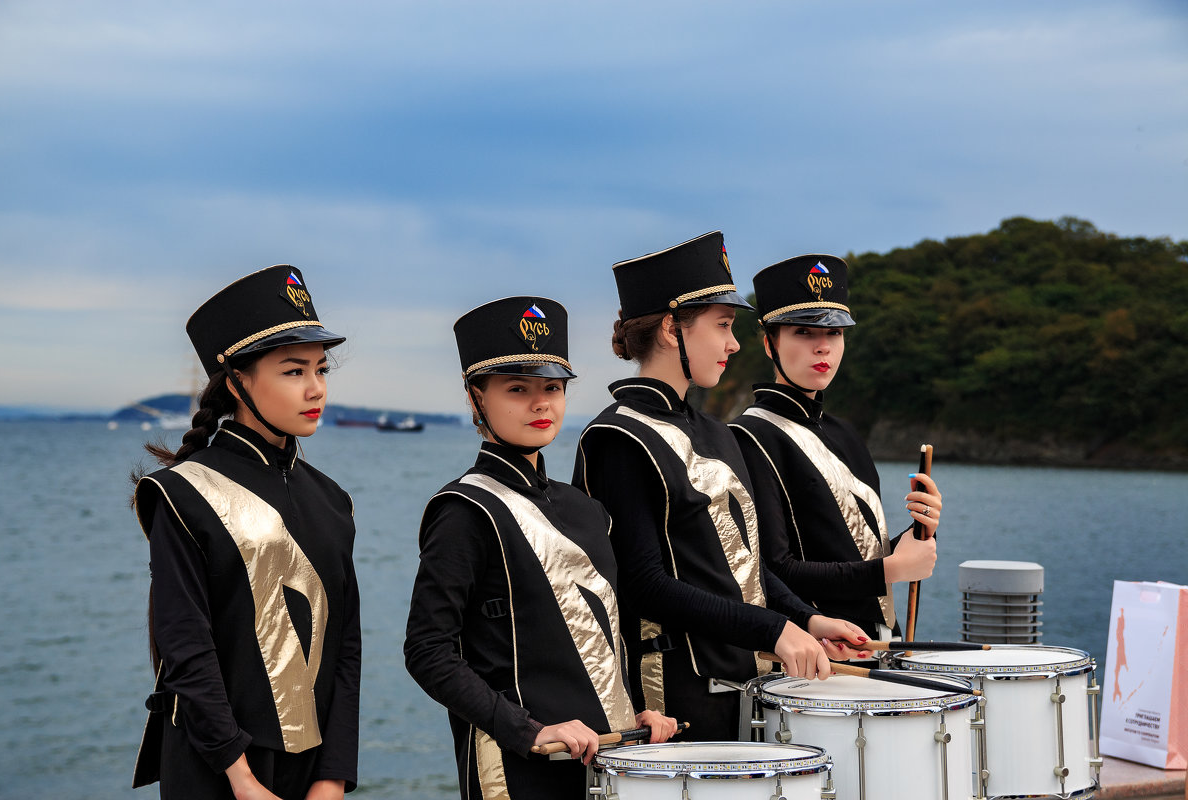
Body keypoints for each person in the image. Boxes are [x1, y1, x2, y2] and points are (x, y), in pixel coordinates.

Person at [572, 233, 870, 742]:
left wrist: (807, 620)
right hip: (672, 700)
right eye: (724, 326)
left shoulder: (713, 430)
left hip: (747, 682)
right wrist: (774, 631)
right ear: (672, 328)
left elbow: (743, 567)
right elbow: (643, 584)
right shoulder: (617, 437)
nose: (734, 343)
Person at [403, 297, 678, 800]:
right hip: (521, 773)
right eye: (517, 389)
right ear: (475, 397)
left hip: (611, 761)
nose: (540, 404)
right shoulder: (465, 509)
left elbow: (603, 635)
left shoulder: (585, 508)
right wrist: (526, 730)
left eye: (552, 387)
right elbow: (427, 652)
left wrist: (637, 708)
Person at [131, 265, 360, 800]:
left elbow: (346, 645)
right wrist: (241, 777)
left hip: (314, 773)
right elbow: (186, 647)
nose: (315, 388)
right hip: (216, 770)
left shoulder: (332, 499)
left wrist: (334, 775)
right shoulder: (181, 492)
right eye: (292, 371)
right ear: (236, 381)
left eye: (320, 369)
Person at [729, 254, 942, 643]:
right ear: (768, 343)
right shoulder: (749, 436)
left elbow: (858, 552)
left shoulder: (845, 432)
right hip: (816, 656)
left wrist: (919, 532)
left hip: (882, 646)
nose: (822, 347)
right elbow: (773, 571)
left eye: (835, 333)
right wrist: (891, 570)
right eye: (803, 333)